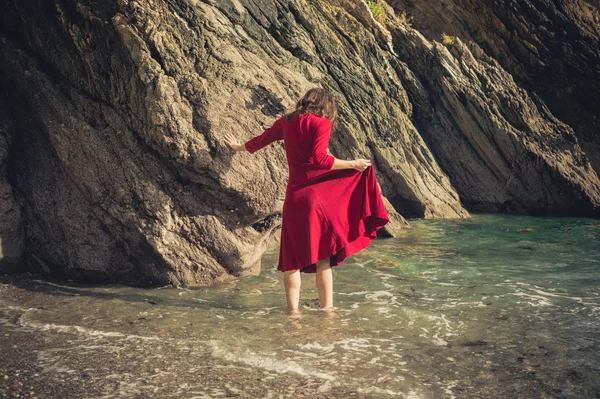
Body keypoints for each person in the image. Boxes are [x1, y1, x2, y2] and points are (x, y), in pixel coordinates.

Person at [223, 87, 389, 314]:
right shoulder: (321, 123)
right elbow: (321, 160)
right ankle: (327, 310)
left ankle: (293, 314)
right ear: (325, 106)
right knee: (323, 258)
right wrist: (353, 164)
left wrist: (238, 147)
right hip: (317, 199)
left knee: (292, 260)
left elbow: (261, 141)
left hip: (294, 198)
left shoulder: (286, 122)